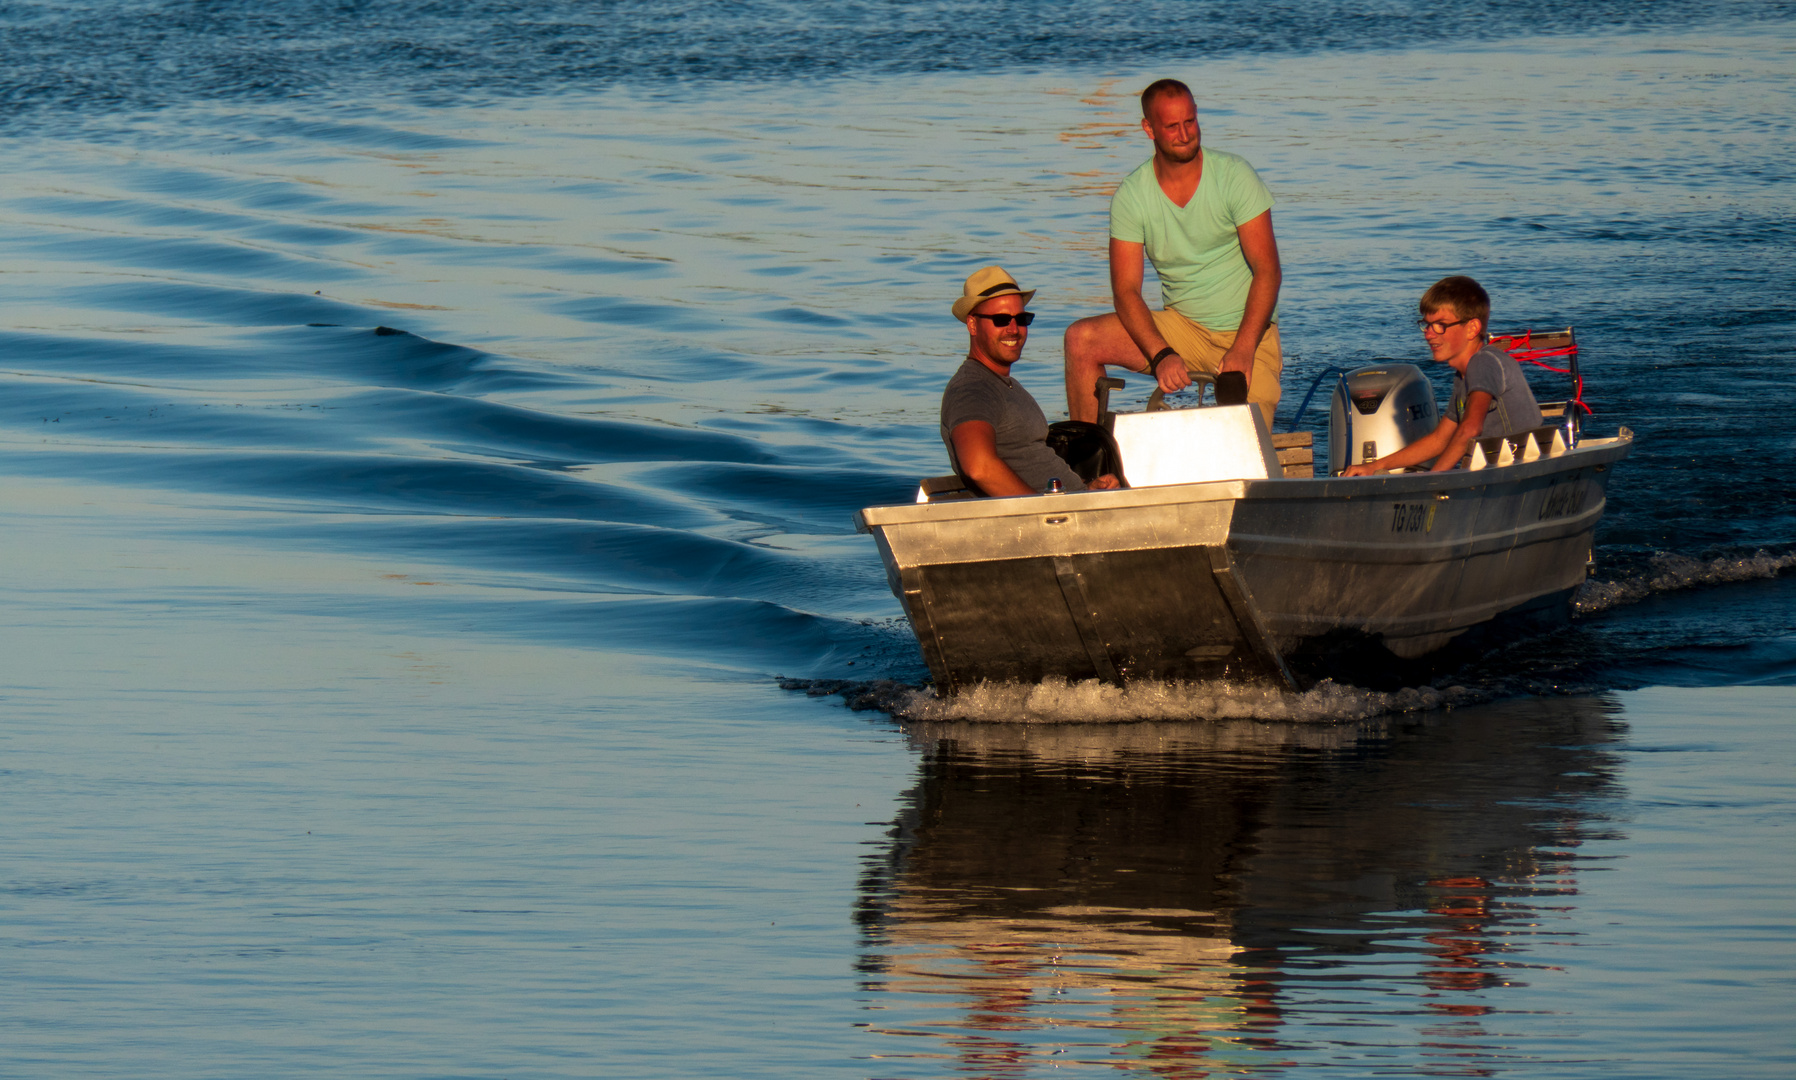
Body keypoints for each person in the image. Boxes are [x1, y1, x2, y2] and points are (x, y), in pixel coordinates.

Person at [1064, 78, 1283, 427]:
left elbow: (1268, 270)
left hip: (1248, 334)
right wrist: (1162, 354)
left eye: (1190, 121)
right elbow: (1126, 291)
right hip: (1181, 328)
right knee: (1081, 340)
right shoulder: (1131, 196)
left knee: (1247, 447)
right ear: (1148, 128)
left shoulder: (1235, 175)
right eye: (1172, 126)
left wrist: (1242, 349)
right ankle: (1091, 468)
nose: (1185, 134)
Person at [941, 265, 1121, 496]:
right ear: (973, 324)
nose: (1014, 329)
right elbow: (979, 467)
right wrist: (1042, 508)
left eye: (1022, 318)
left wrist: (1083, 489)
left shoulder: (1005, 385)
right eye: (1001, 319)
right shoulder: (973, 389)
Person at [1344, 276, 1543, 476]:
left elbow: (1470, 429)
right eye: (1427, 324)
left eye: (1440, 325)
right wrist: (1374, 466)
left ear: (1472, 328)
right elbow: (1440, 440)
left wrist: (1430, 483)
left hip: (1518, 474)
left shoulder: (1484, 362)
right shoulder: (1462, 378)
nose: (1429, 334)